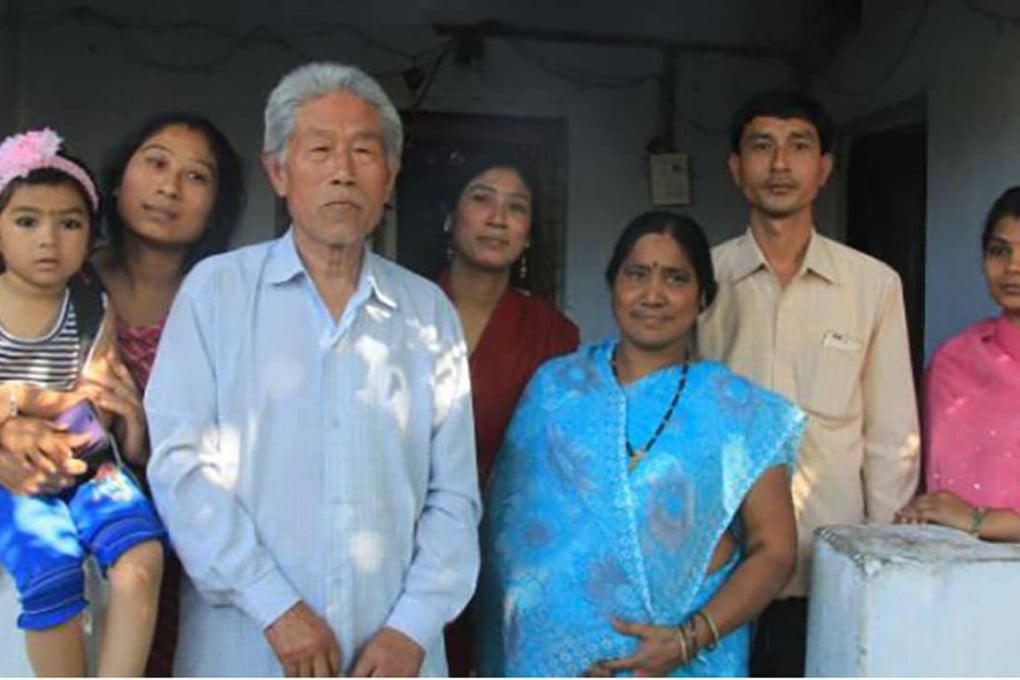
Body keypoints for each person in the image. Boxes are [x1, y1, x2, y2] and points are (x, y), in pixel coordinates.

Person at [144, 62, 481, 676]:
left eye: (364, 151)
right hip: (245, 646)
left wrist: (412, 628)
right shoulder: (216, 293)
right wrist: (275, 606)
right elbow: (181, 467)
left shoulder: (428, 311)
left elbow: (454, 496)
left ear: (391, 175)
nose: (343, 172)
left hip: (395, 659)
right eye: (319, 149)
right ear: (279, 171)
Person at [478, 210, 804, 677]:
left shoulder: (739, 413)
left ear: (702, 297)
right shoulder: (556, 389)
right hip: (547, 661)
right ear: (614, 285)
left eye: (675, 278)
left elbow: (775, 550)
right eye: (637, 275)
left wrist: (687, 641)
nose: (653, 295)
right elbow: (508, 537)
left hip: (685, 661)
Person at [697, 90, 921, 676]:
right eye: (761, 146)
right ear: (734, 167)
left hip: (832, 569)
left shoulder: (873, 286)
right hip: (714, 571)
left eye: (799, 147)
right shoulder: (699, 281)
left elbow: (891, 439)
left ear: (824, 169)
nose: (779, 164)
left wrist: (878, 565)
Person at [0, 128, 165, 676]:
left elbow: (94, 394)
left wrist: (27, 404)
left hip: (83, 455)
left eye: (69, 223)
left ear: (92, 232)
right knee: (50, 568)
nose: (48, 239)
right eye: (27, 221)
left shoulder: (91, 303)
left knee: (141, 555)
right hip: (12, 474)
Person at [437, 151, 579, 675]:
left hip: (513, 554)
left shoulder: (554, 333)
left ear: (527, 233)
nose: (498, 218)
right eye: (481, 199)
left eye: (515, 208)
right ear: (451, 217)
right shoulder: (401, 310)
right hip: (410, 548)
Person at [896, 186, 1020, 540]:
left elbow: (963, 515)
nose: (1012, 266)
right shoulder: (954, 362)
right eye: (1000, 251)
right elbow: (919, 484)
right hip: (952, 575)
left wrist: (979, 520)